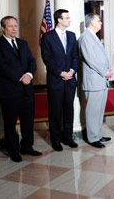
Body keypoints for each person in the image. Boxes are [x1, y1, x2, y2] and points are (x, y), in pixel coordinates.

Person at [0, 16, 41, 162]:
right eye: (10, 26)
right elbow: (1, 67)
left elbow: (32, 62)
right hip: (9, 91)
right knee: (10, 123)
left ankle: (27, 147)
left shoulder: (23, 43)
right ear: (3, 28)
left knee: (28, 121)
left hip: (27, 90)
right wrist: (20, 77)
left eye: (15, 26)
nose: (14, 29)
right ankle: (13, 150)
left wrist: (29, 74)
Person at [41, 9, 79, 151]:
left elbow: (75, 56)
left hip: (70, 80)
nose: (70, 20)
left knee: (69, 110)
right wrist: (60, 73)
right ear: (59, 20)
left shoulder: (71, 35)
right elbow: (47, 59)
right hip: (56, 80)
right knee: (55, 111)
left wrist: (72, 71)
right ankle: (56, 140)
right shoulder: (47, 37)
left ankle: (68, 138)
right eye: (67, 18)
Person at [78, 13, 113, 148]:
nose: (101, 23)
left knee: (99, 110)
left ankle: (97, 134)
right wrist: (105, 72)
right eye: (99, 20)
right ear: (92, 22)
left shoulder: (94, 37)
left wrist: (108, 70)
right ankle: (92, 138)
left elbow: (101, 57)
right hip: (94, 80)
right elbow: (91, 59)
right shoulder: (86, 37)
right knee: (93, 111)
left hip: (101, 80)